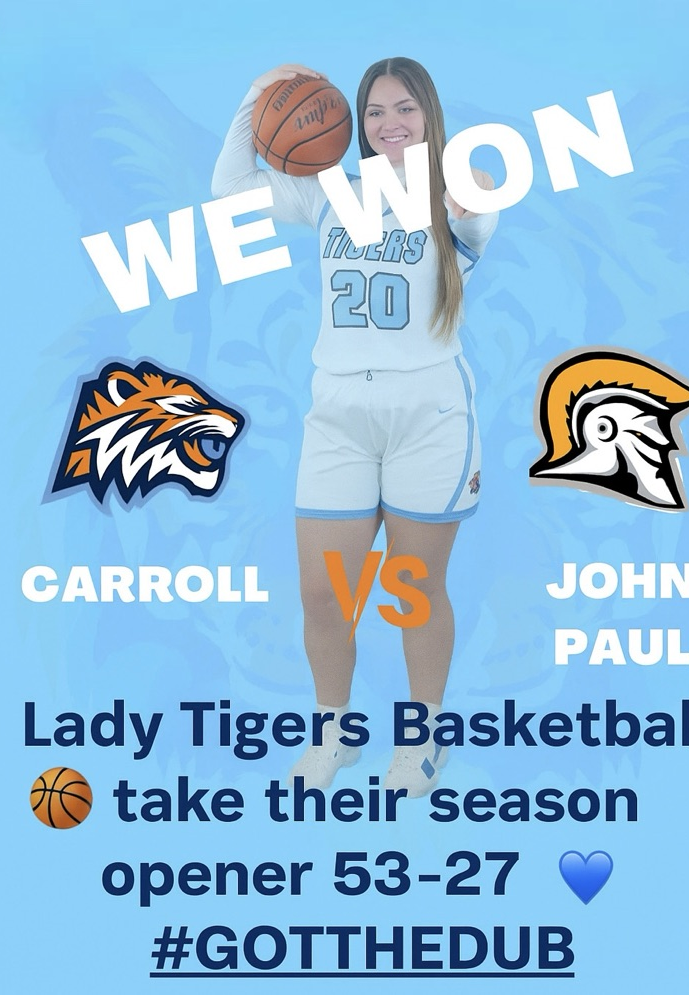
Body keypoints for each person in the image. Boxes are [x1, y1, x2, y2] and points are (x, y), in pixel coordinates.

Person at [212, 58, 498, 797]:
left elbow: (476, 209)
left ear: (430, 115)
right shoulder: (330, 191)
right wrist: (257, 96)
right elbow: (229, 191)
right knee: (322, 593)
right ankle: (333, 733)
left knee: (413, 591)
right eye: (375, 111)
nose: (389, 123)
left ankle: (422, 739)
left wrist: (464, 183)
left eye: (405, 108)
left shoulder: (454, 190)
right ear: (357, 123)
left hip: (429, 416)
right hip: (337, 414)